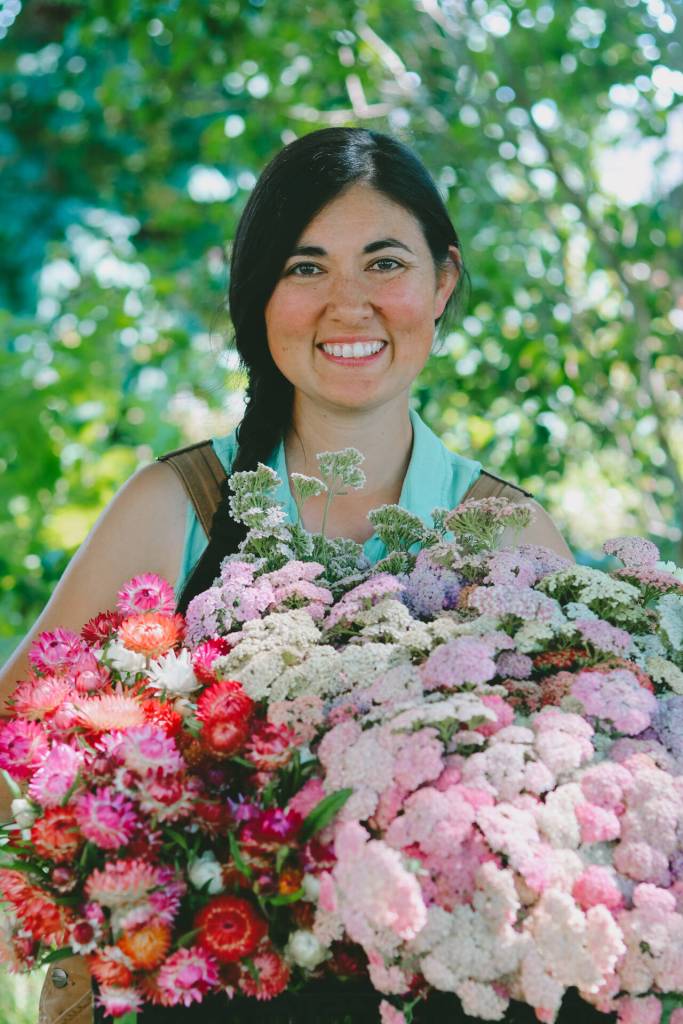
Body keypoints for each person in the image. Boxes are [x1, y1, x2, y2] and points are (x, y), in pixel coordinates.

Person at [1, 127, 590, 1024]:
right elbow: (19, 730)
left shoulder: (508, 532)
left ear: (443, 282)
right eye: (305, 268)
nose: (346, 305)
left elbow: (585, 817)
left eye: (383, 263)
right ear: (256, 297)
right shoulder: (177, 506)